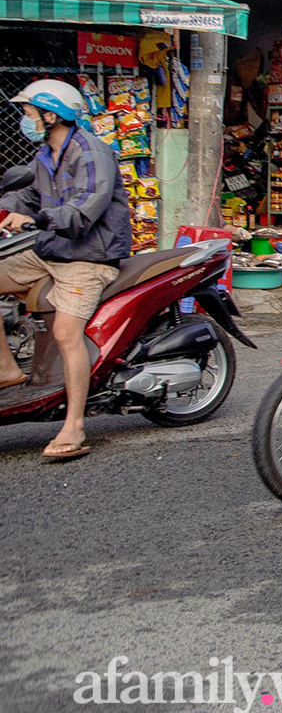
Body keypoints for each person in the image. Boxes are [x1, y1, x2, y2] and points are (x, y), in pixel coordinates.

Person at [0, 80, 134, 461]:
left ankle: (74, 425)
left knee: (65, 333)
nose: (24, 119)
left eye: (29, 112)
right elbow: (25, 191)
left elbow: (82, 213)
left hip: (88, 257)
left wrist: (33, 219)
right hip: (50, 251)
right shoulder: (46, 153)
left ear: (51, 115)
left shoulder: (92, 153)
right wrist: (9, 206)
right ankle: (7, 370)